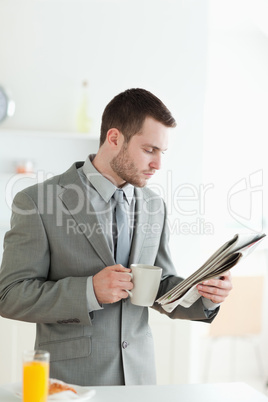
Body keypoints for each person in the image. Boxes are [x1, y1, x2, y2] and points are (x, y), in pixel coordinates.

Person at [0, 88, 232, 386]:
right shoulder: (37, 201)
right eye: (149, 150)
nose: (158, 164)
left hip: (140, 379)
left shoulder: (153, 205)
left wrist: (204, 293)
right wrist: (89, 291)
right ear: (114, 139)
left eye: (162, 153)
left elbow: (158, 286)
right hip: (72, 384)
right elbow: (9, 295)